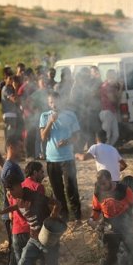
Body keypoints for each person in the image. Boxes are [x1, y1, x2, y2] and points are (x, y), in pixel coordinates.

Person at [0, 172, 91, 265]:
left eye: (11, 189)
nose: (9, 193)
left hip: (48, 241)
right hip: (34, 239)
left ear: (19, 186)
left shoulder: (34, 196)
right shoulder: (18, 198)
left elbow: (57, 204)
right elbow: (17, 206)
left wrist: (52, 217)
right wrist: (1, 212)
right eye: (7, 190)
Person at [88, 170, 133, 265]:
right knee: (111, 255)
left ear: (110, 180)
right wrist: (92, 219)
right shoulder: (98, 191)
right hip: (109, 228)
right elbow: (96, 210)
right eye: (100, 183)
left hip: (126, 225)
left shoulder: (123, 190)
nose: (102, 186)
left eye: (104, 183)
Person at [40, 91, 82, 223]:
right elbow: (43, 137)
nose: (54, 104)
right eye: (51, 102)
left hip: (67, 158)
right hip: (52, 159)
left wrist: (67, 141)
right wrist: (50, 122)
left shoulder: (70, 115)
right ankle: (65, 218)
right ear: (48, 103)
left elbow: (77, 136)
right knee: (57, 190)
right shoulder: (44, 116)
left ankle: (77, 217)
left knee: (71, 188)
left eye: (56, 101)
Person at [0, 135, 27, 265]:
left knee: (16, 254)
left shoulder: (12, 166)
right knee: (18, 257)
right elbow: (11, 195)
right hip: (13, 216)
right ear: (11, 146)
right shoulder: (10, 169)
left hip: (14, 214)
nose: (22, 148)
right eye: (19, 145)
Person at [99, 69, 121, 146]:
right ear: (109, 77)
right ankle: (105, 149)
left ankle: (108, 148)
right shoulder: (106, 86)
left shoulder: (112, 87)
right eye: (114, 76)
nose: (115, 78)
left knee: (115, 135)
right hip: (107, 112)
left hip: (112, 111)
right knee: (107, 136)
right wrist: (120, 89)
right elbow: (113, 100)